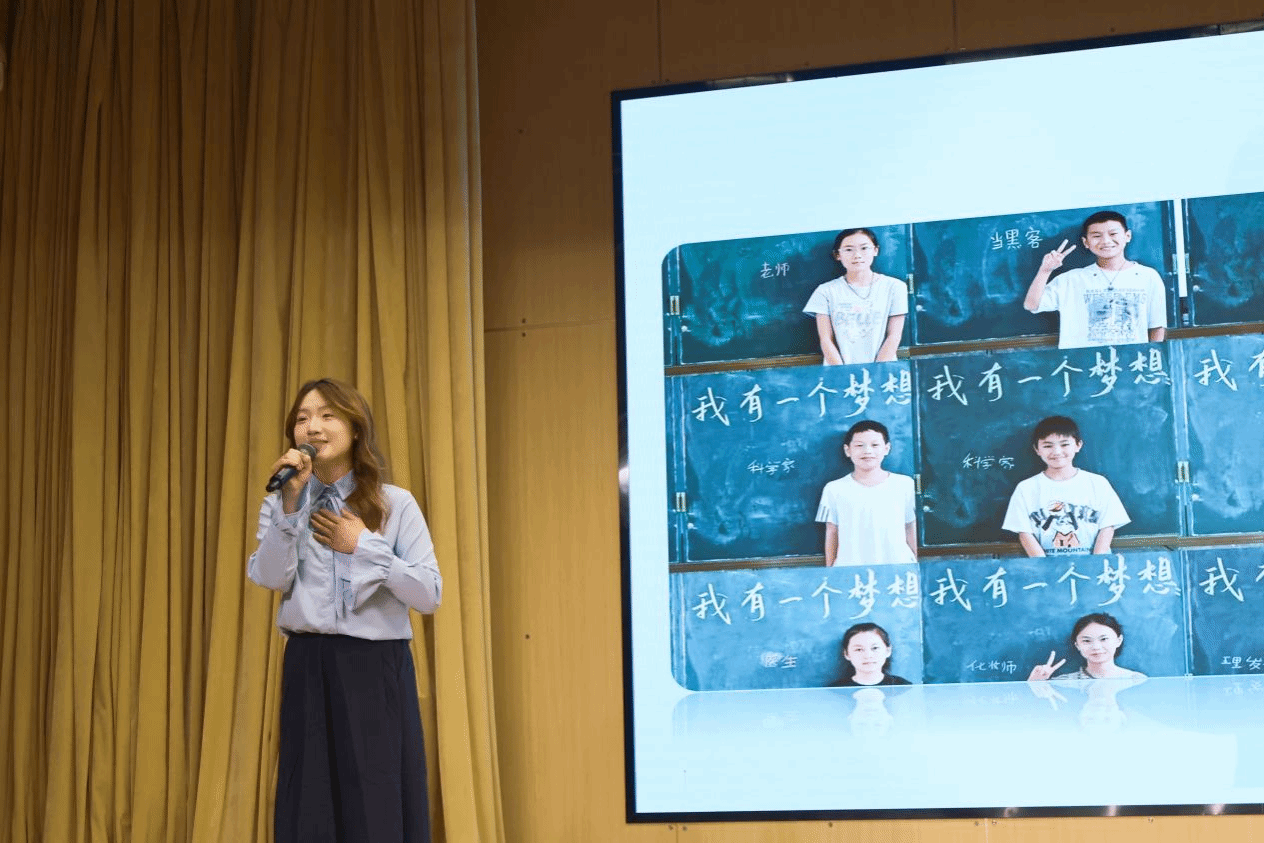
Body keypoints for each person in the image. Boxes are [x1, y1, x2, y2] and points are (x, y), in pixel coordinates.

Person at [248, 378, 442, 843]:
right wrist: (289, 510)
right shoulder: (281, 502)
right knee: (309, 807)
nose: (312, 427)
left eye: (327, 415)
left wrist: (364, 546)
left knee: (376, 805)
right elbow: (268, 576)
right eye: (302, 419)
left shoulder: (395, 504)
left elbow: (429, 594)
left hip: (374, 667)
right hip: (308, 665)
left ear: (356, 429)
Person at [1022, 209, 1167, 349]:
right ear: (1086, 242)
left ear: (1127, 236)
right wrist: (1045, 270)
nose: (1106, 241)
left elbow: (1158, 326)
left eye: (1113, 234)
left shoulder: (1148, 276)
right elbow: (1031, 305)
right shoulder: (1071, 279)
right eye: (1097, 236)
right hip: (1082, 362)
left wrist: (1153, 353)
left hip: (1132, 361)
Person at [1002, 415, 1129, 556]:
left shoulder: (1098, 483)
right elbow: (1024, 533)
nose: (1057, 452)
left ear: (1078, 445)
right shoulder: (1026, 488)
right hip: (1045, 565)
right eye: (1047, 446)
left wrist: (1095, 563)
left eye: (1064, 444)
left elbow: (1107, 527)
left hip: (1094, 563)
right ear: (1037, 449)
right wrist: (1044, 565)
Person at [815, 420, 917, 566]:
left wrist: (914, 566)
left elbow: (910, 526)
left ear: (886, 448)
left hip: (897, 568)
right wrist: (831, 571)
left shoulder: (905, 485)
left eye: (875, 445)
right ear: (847, 450)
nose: (867, 451)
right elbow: (832, 532)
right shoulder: (834, 489)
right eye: (859, 445)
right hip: (850, 569)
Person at [803, 228, 908, 365]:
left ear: (875, 250)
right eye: (848, 249)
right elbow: (826, 339)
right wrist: (843, 372)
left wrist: (877, 370)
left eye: (864, 248)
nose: (857, 255)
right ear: (837, 255)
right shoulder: (825, 291)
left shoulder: (895, 287)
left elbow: (894, 336)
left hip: (883, 369)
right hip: (838, 370)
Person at [1026, 613, 1146, 682]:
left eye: (1104, 639)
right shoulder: (1063, 684)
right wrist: (1033, 684)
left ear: (1118, 641)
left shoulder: (1136, 680)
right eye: (1087, 641)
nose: (1096, 647)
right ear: (1077, 645)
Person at [832, 622, 912, 687]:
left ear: (888, 651)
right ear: (847, 654)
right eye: (859, 649)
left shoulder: (904, 688)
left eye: (875, 648)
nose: (868, 655)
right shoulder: (835, 691)